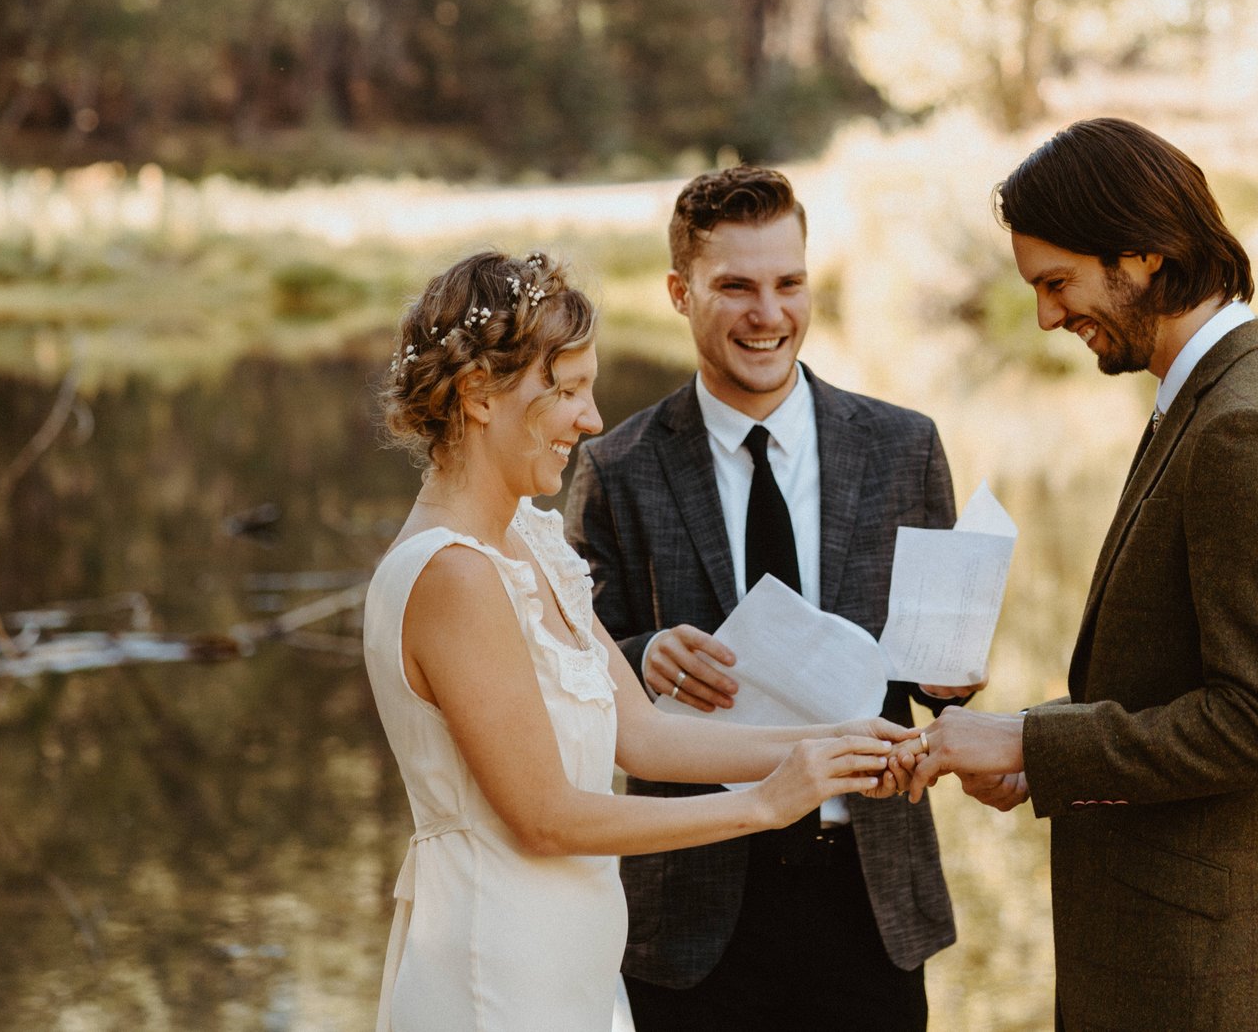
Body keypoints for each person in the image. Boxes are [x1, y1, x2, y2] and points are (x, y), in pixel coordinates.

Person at [362, 248, 913, 1032]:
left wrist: (839, 743)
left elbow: (645, 734)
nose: (592, 420)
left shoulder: (529, 538)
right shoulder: (453, 574)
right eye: (570, 391)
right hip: (496, 971)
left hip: (576, 963)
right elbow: (546, 816)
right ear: (481, 396)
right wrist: (764, 803)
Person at [902, 119, 1258, 1032]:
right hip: (1184, 961)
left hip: (1216, 981)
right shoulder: (1215, 396)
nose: (1044, 314)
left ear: (1146, 252)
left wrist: (1035, 748)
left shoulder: (1247, 427)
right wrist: (1033, 742)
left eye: (1056, 282)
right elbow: (1176, 684)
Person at [562, 166, 971, 1031]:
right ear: (680, 292)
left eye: (788, 283)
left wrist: (955, 681)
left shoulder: (906, 448)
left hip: (870, 896)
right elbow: (565, 672)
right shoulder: (615, 470)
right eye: (735, 286)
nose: (768, 314)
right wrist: (641, 657)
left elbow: (936, 678)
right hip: (691, 904)